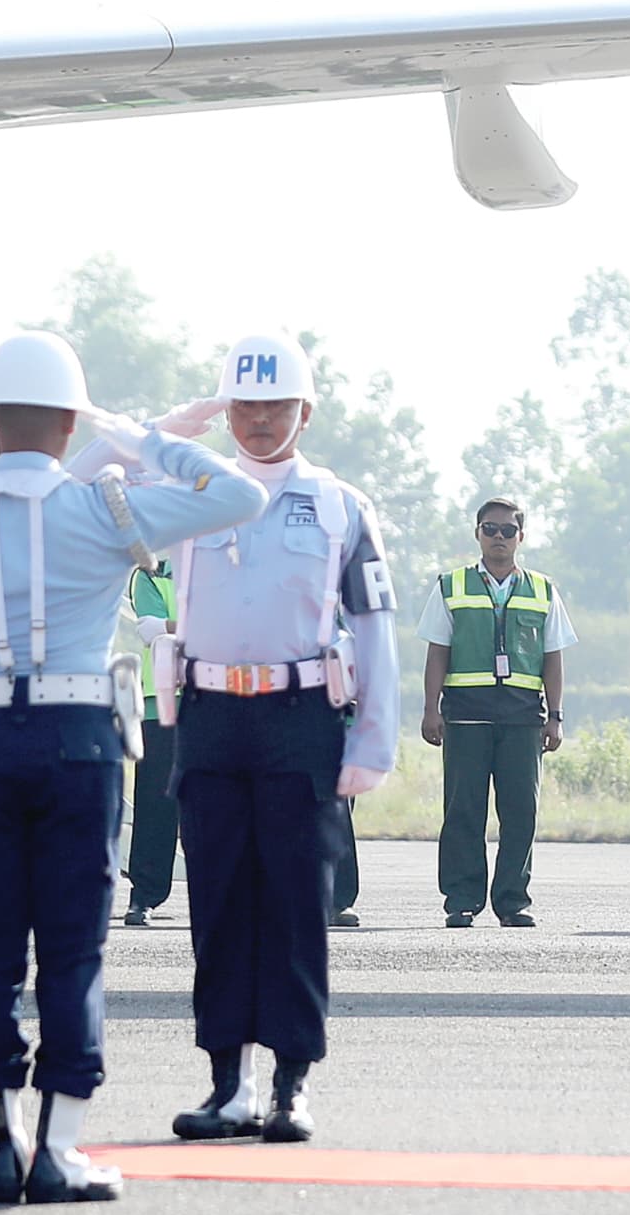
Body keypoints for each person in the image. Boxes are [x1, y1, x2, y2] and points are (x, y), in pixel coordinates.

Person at [0, 333, 264, 1203]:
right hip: (80, 742)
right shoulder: (106, 508)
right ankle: (57, 1148)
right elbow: (236, 492)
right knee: (72, 950)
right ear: (69, 422)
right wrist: (136, 434)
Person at [157, 334, 402, 1142]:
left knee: (298, 903)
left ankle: (292, 1084)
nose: (260, 420)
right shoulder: (188, 487)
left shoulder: (339, 504)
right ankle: (229, 1082)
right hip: (210, 717)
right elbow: (97, 480)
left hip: (301, 722)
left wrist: (374, 741)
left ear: (307, 410)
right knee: (218, 901)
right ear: (225, 407)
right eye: (244, 403)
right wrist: (178, 427)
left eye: (276, 404)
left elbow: (374, 627)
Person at [423, 497, 571, 927]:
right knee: (463, 811)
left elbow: (553, 657)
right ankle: (461, 899)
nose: (499, 538)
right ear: (478, 534)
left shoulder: (543, 590)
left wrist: (555, 715)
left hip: (523, 718)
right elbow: (437, 652)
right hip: (466, 717)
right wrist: (431, 710)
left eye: (508, 530)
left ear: (521, 537)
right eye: (491, 529)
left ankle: (512, 901)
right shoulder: (451, 585)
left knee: (520, 812)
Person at [118, 549, 180, 926]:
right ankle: (144, 895)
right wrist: (206, 625)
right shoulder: (152, 570)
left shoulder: (223, 562)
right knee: (156, 802)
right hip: (163, 698)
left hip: (215, 697)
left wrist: (178, 626)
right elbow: (151, 628)